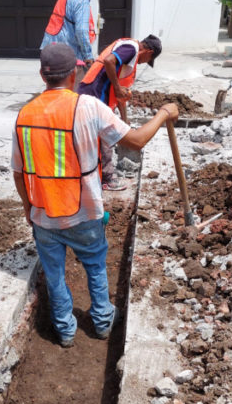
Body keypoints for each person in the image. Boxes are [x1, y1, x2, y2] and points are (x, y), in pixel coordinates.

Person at [11, 43, 179, 348]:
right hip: (84, 212)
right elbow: (137, 141)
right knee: (95, 265)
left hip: (44, 215)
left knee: (54, 274)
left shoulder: (24, 114)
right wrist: (164, 113)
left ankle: (65, 330)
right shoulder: (88, 107)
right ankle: (102, 323)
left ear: (42, 75)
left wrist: (28, 208)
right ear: (75, 74)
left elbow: (19, 172)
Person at [76, 35, 163, 190]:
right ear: (148, 51)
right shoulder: (131, 49)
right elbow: (109, 61)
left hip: (94, 92)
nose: (144, 63)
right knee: (104, 134)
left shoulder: (129, 56)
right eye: (148, 59)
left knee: (97, 134)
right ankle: (107, 179)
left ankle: (92, 174)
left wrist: (124, 121)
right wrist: (116, 88)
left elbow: (121, 94)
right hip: (95, 93)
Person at [41, 0, 106, 71]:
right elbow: (81, 31)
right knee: (73, 85)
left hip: (51, 47)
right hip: (65, 53)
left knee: (55, 84)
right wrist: (88, 56)